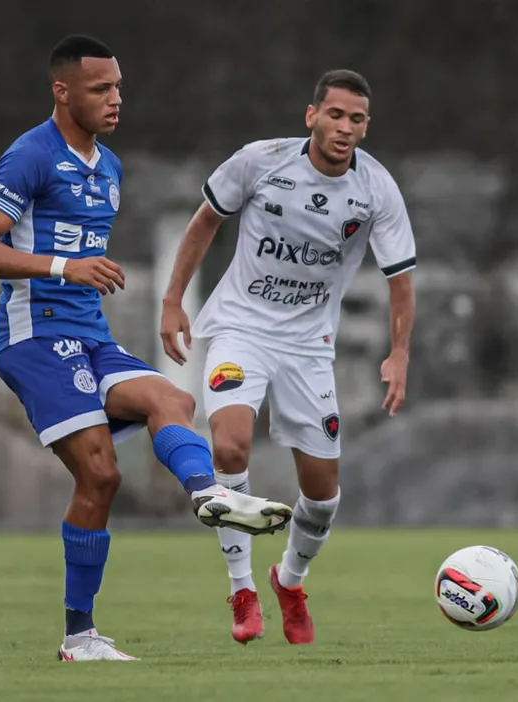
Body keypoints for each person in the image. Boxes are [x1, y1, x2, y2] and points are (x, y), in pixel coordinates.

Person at [0, 34, 293, 662]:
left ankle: (207, 494)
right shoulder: (29, 156)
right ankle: (79, 637)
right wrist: (63, 267)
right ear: (62, 92)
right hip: (35, 339)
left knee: (171, 397)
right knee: (101, 474)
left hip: (90, 339)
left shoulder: (108, 168)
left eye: (118, 88)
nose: (116, 100)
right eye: (100, 89)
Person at [160, 69, 416, 645]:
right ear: (312, 115)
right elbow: (205, 223)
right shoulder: (259, 161)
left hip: (307, 347)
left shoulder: (376, 189)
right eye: (335, 115)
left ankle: (290, 581)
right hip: (240, 329)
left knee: (323, 496)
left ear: (365, 127)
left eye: (356, 120)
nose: (345, 128)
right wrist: (173, 299)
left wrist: (399, 354)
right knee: (227, 444)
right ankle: (242, 588)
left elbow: (401, 278)